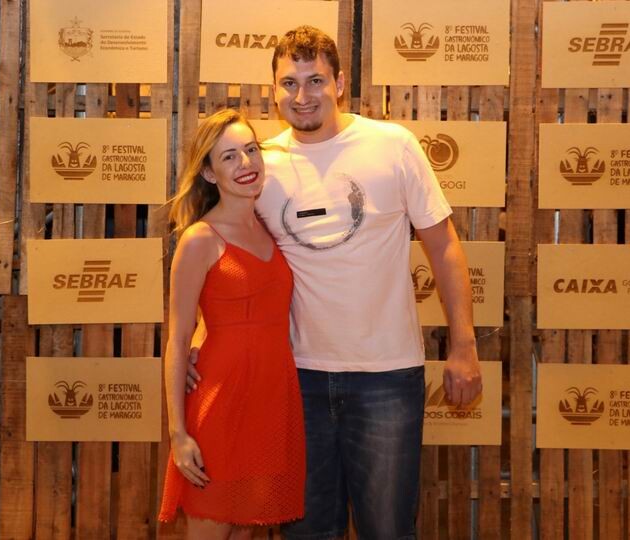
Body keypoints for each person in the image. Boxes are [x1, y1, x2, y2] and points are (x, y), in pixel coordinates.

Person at [189, 26, 482, 540]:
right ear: (274, 90)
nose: (302, 95)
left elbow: (444, 246)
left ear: (340, 83)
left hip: (387, 377)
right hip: (293, 379)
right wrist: (201, 334)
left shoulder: (392, 146)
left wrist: (464, 344)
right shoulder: (261, 165)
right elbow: (226, 254)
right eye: (289, 83)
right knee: (305, 531)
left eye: (316, 80)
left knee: (388, 530)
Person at [159, 108, 305, 539]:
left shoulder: (271, 228)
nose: (246, 163)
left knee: (247, 532)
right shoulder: (199, 239)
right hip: (221, 405)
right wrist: (178, 434)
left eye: (251, 150)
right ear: (208, 173)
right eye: (229, 157)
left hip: (271, 403)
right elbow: (178, 339)